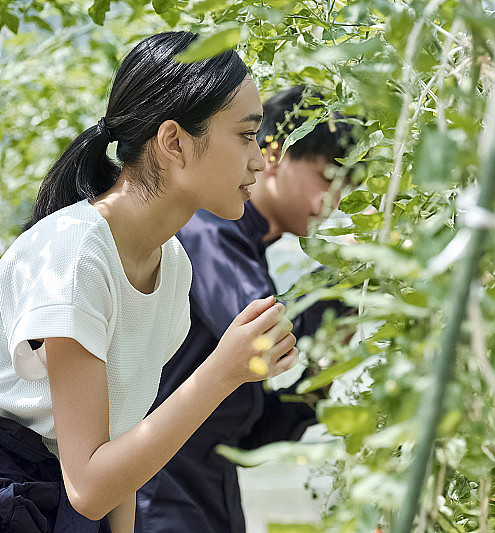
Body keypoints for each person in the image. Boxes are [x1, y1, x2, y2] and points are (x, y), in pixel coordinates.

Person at [0, 31, 298, 532]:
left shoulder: (172, 266)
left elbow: (119, 459)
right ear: (174, 142)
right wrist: (221, 371)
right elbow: (90, 486)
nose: (261, 159)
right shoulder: (77, 255)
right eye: (247, 134)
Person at [135, 85, 356, 533]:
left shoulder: (248, 249)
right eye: (328, 177)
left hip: (206, 489)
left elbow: (253, 437)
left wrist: (319, 377)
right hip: (159, 491)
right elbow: (261, 336)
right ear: (273, 155)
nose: (333, 201)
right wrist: (349, 277)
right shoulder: (208, 230)